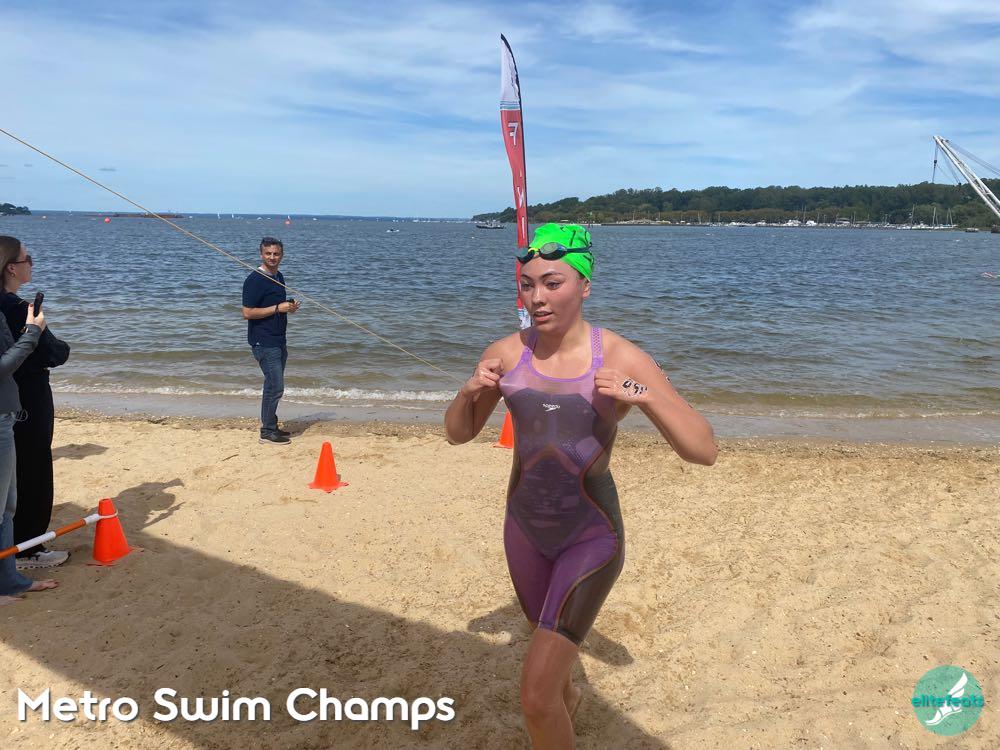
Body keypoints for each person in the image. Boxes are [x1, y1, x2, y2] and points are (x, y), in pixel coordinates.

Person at [444, 224, 716, 748]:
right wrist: (468, 392)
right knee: (554, 675)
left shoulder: (618, 357)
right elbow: (458, 434)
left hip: (591, 536)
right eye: (528, 285)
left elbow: (703, 449)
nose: (538, 298)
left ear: (585, 286)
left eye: (553, 283)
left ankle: (558, 704)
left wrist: (642, 395)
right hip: (523, 532)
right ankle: (569, 703)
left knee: (535, 695)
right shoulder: (507, 353)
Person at [0, 237, 71, 569]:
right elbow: (51, 352)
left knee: (16, 470)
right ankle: (28, 547)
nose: (32, 264)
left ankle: (19, 544)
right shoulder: (17, 308)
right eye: (27, 259)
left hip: (12, 393)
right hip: (26, 392)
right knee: (34, 466)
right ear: (11, 268)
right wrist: (51, 341)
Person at [241, 237, 300, 445]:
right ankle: (266, 432)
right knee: (275, 387)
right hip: (263, 342)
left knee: (272, 385)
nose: (272, 257)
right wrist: (277, 308)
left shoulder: (278, 276)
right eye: (268, 253)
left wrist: (288, 307)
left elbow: (278, 306)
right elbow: (247, 313)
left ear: (282, 255)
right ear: (261, 255)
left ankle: (271, 425)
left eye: (276, 254)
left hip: (279, 339)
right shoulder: (254, 280)